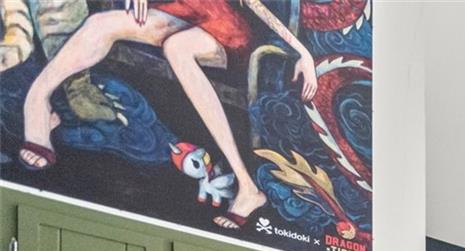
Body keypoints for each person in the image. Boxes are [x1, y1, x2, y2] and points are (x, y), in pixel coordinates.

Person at [17, 0, 317, 230]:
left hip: (226, 24)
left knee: (177, 48)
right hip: (182, 10)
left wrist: (302, 51)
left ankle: (247, 186)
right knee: (101, 24)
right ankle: (37, 101)